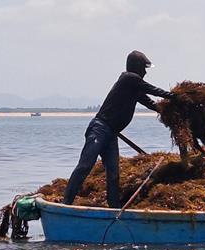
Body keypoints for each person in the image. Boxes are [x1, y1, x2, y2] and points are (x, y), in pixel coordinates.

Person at [63, 50, 173, 208]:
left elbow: (152, 103)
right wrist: (175, 96)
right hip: (99, 129)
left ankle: (114, 208)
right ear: (136, 67)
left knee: (113, 175)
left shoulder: (134, 88)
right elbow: (154, 90)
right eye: (144, 68)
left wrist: (169, 110)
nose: (145, 72)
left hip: (111, 134)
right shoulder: (128, 78)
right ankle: (66, 203)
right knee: (85, 165)